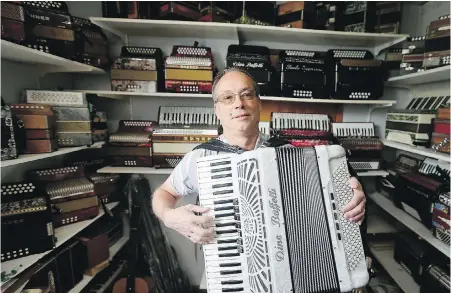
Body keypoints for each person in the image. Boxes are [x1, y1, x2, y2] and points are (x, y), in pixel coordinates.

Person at [151, 67, 367, 244]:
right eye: (228, 98)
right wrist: (170, 217)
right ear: (216, 110)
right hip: (229, 268)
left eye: (247, 95)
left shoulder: (290, 155)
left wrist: (352, 200)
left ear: (259, 103)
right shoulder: (200, 157)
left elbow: (330, 207)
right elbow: (164, 193)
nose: (239, 103)